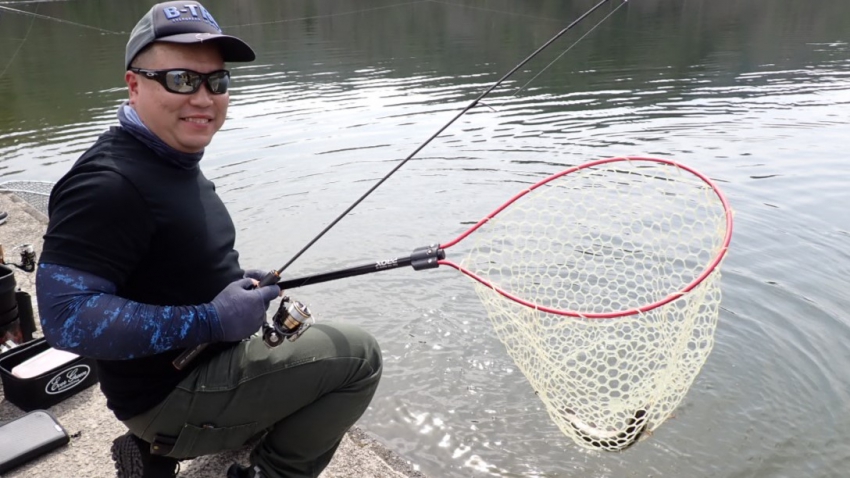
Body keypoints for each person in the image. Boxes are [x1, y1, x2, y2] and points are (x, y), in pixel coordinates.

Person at [35, 2, 382, 477]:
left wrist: (225, 285)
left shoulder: (165, 157)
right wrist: (211, 319)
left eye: (216, 81)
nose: (203, 98)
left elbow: (160, 260)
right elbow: (66, 320)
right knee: (358, 355)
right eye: (181, 79)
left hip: (186, 370)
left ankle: (154, 455)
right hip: (167, 393)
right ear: (134, 85)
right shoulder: (109, 184)